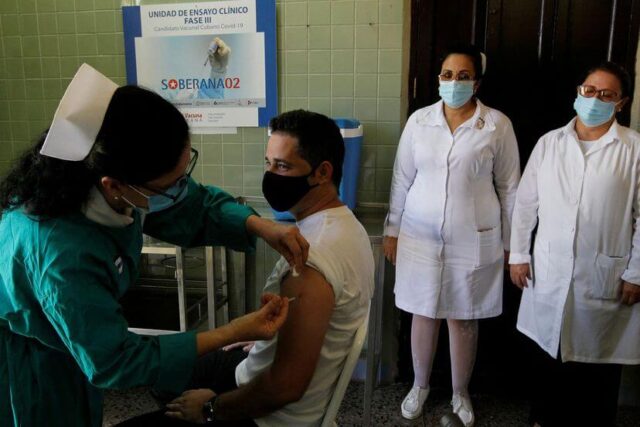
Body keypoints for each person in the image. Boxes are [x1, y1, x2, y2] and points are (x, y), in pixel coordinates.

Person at [0, 64, 309, 427]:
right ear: (114, 185)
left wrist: (260, 226)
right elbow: (115, 360)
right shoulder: (61, 252)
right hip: (33, 369)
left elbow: (194, 206)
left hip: (69, 349)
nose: (181, 190)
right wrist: (234, 331)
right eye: (170, 185)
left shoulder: (107, 184)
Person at [118, 109, 375, 426]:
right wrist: (270, 342)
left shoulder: (308, 262)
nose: (271, 175)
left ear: (322, 172)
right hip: (259, 370)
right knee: (167, 376)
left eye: (282, 166)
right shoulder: (349, 228)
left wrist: (210, 409)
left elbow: (285, 387)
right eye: (268, 163)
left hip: (270, 417)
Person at [383, 44, 520, 426]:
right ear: (438, 78)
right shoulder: (419, 121)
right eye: (447, 75)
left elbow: (510, 187)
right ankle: (420, 385)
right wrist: (392, 230)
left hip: (474, 236)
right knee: (423, 311)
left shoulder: (497, 125)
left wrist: (513, 244)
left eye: (463, 76)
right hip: (418, 235)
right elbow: (401, 179)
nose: (454, 82)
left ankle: (461, 392)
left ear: (476, 82)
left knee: (463, 316)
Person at [509, 61, 640, 427]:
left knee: (598, 361)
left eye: (607, 94)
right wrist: (518, 255)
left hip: (605, 273)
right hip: (548, 269)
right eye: (589, 90)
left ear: (621, 103)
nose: (595, 99)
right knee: (548, 353)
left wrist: (636, 273)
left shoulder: (633, 148)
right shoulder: (550, 143)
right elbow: (525, 204)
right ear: (578, 92)